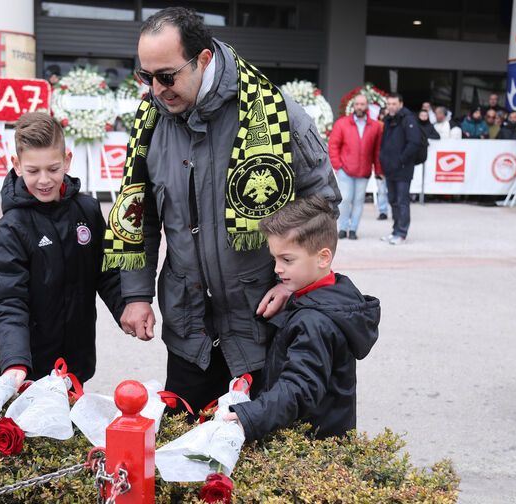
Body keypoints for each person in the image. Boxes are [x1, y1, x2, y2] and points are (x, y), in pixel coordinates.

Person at [105, 7, 341, 418]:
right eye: (146, 77)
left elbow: (322, 203)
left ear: (203, 60)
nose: (156, 90)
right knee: (186, 462)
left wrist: (294, 284)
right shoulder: (150, 123)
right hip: (188, 336)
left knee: (258, 467)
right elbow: (138, 217)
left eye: (167, 76)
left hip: (263, 330)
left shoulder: (275, 113)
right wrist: (137, 294)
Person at [222, 195, 379, 440]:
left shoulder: (314, 321)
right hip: (326, 435)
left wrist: (253, 416)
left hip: (312, 444)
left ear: (323, 257)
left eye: (287, 260)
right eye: (274, 258)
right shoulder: (330, 295)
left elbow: (300, 386)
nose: (277, 269)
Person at [0, 112, 124, 387]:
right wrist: (15, 359)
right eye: (33, 171)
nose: (44, 180)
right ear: (16, 165)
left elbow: (107, 271)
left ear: (67, 160)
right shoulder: (12, 227)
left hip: (77, 360)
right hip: (30, 368)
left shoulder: (87, 209)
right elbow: (8, 298)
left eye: (52, 169)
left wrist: (126, 308)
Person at [328, 94, 382, 240]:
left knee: (359, 201)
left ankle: (353, 229)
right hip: (346, 169)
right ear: (353, 106)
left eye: (362, 104)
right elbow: (333, 146)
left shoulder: (375, 126)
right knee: (345, 199)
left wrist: (378, 170)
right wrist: (338, 165)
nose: (359, 107)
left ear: (367, 106)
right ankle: (343, 227)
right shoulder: (342, 123)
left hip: (364, 171)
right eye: (357, 104)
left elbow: (377, 150)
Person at [378, 93, 419, 245]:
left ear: (401, 104)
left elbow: (414, 143)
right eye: (389, 104)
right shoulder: (388, 119)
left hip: (403, 169)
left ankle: (401, 232)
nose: (391, 106)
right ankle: (395, 230)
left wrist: (401, 160)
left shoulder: (408, 119)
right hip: (390, 168)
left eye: (394, 104)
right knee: (393, 200)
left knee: (402, 201)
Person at [375, 107, 390, 220]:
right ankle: (383, 211)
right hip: (379, 162)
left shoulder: (395, 126)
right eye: (385, 114)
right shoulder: (376, 127)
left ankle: (395, 211)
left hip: (392, 163)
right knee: (381, 189)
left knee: (393, 190)